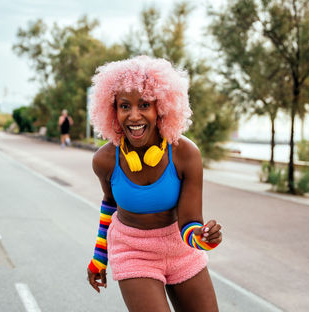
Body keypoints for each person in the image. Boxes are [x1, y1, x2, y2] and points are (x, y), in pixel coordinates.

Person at [86, 55, 223, 311]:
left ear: (160, 108)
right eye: (124, 106)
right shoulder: (105, 160)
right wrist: (99, 258)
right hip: (133, 251)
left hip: (180, 249)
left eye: (144, 105)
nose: (134, 116)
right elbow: (109, 207)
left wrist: (204, 238)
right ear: (113, 110)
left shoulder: (185, 154)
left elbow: (189, 223)